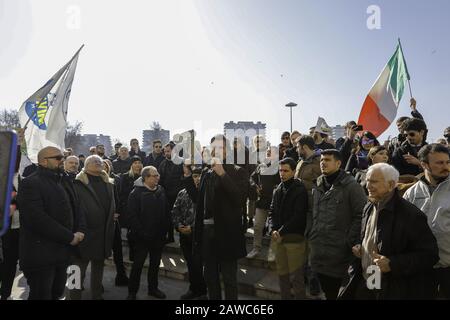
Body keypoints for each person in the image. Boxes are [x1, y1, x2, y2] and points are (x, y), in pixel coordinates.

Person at [340, 163, 439, 299]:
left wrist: (393, 264)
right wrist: (361, 246)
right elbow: (371, 236)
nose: (367, 186)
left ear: (391, 184)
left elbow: (429, 255)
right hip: (370, 278)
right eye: (367, 181)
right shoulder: (369, 206)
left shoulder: (411, 215)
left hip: (395, 287)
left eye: (374, 182)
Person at [183, 134, 248, 300]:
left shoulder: (237, 171)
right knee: (210, 278)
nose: (215, 151)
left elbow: (239, 199)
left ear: (227, 150)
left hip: (227, 233)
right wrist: (187, 176)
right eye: (213, 148)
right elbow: (199, 200)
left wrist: (223, 174)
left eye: (220, 147)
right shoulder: (206, 172)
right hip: (207, 233)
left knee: (229, 279)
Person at [18, 147, 85, 300]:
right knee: (41, 296)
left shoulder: (64, 181)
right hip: (40, 256)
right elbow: (37, 219)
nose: (62, 160)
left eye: (63, 157)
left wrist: (80, 230)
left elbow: (77, 208)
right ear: (43, 161)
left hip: (63, 254)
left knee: (57, 294)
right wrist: (69, 237)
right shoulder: (30, 183)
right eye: (57, 157)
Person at [307, 149, 367, 300]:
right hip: (318, 251)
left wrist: (349, 239)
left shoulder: (351, 186)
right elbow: (312, 213)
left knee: (339, 294)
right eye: (321, 160)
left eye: (327, 160)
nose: (323, 163)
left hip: (340, 255)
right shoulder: (318, 185)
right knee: (327, 292)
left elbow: (362, 215)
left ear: (338, 163)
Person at [403, 144, 450, 298]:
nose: (445, 167)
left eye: (448, 162)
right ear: (424, 164)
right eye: (439, 163)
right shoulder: (411, 193)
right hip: (421, 269)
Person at [70, 155, 116, 300]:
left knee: (98, 268)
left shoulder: (108, 183)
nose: (98, 163)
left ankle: (97, 295)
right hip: (82, 234)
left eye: (100, 161)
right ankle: (73, 296)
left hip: (102, 234)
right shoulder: (77, 183)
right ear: (86, 165)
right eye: (94, 161)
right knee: (76, 270)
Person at [126, 166, 170, 300]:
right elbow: (132, 217)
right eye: (154, 175)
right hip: (142, 238)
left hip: (158, 237)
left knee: (155, 265)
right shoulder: (135, 193)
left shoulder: (161, 190)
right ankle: (132, 293)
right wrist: (142, 233)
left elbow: (166, 212)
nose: (158, 177)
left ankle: (153, 289)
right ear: (146, 177)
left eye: (158, 175)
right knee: (138, 265)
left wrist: (166, 231)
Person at [269, 157, 309, 299]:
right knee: (282, 276)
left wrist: (279, 232)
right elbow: (272, 212)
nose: (282, 173)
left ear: (293, 172)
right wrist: (272, 229)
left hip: (294, 239)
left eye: (285, 171)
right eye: (280, 170)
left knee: (296, 278)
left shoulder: (300, 189)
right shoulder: (278, 189)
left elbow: (298, 216)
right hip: (278, 239)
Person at [172, 166, 207, 300]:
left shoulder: (205, 195)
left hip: (199, 236)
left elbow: (206, 217)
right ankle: (193, 289)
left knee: (198, 265)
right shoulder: (182, 192)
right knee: (191, 265)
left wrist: (192, 228)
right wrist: (179, 226)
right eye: (194, 176)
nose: (197, 179)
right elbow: (175, 211)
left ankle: (202, 291)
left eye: (199, 176)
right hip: (184, 235)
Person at [294, 134, 322, 296]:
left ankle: (313, 281)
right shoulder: (299, 163)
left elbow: (322, 185)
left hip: (313, 211)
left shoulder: (320, 162)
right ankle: (302, 277)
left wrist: (300, 184)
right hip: (300, 210)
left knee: (312, 247)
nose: (296, 149)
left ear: (304, 147)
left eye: (298, 147)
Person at [247, 146, 281, 259]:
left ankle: (274, 252)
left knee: (274, 228)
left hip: (275, 202)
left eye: (270, 152)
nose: (268, 153)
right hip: (261, 201)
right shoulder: (260, 165)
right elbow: (252, 178)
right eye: (267, 152)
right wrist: (255, 186)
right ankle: (256, 248)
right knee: (257, 226)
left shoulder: (280, 166)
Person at [118, 156, 143, 262]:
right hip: (129, 209)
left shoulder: (145, 176)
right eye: (135, 162)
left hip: (142, 209)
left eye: (139, 162)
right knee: (131, 232)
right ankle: (133, 255)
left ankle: (140, 252)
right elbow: (121, 193)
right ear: (131, 164)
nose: (137, 164)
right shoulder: (125, 176)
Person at [158, 143, 184, 243]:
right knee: (167, 216)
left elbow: (184, 177)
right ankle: (170, 236)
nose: (166, 153)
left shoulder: (181, 162)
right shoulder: (163, 163)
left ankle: (183, 237)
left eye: (168, 151)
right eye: (165, 152)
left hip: (179, 194)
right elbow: (160, 179)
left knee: (180, 216)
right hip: (166, 194)